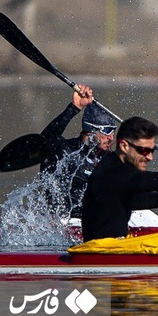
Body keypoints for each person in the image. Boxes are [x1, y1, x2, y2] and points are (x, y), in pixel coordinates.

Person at [40, 84, 118, 219]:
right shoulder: (65, 151)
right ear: (91, 129)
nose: (111, 137)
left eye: (113, 130)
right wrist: (74, 107)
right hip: (65, 221)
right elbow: (43, 142)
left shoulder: (110, 160)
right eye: (106, 130)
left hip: (96, 220)